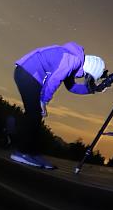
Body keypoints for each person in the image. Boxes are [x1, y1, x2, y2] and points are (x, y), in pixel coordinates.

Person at [11, 41, 105, 169]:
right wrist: (43, 101)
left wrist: (92, 90)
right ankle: (21, 152)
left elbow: (71, 87)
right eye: (88, 77)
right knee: (33, 114)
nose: (84, 78)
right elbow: (54, 80)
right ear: (89, 71)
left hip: (29, 74)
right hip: (28, 74)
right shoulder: (73, 60)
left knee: (35, 115)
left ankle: (31, 152)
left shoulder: (72, 60)